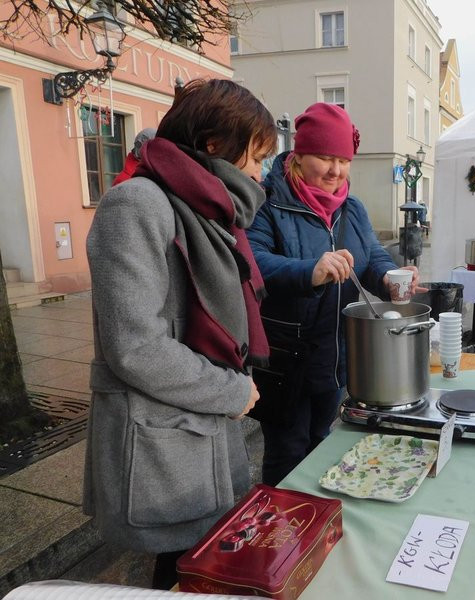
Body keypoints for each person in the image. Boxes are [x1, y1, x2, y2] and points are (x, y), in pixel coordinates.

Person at [83, 79, 276, 590]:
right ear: (214, 144)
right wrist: (231, 389)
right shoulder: (138, 204)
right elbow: (134, 346)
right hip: (161, 445)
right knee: (174, 575)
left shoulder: (207, 209)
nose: (260, 173)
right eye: (256, 156)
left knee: (201, 567)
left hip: (202, 431)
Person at [246, 102, 423, 485]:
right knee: (288, 455)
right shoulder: (268, 202)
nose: (335, 171)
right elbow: (252, 261)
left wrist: (391, 277)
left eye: (343, 160)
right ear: (299, 155)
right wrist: (310, 271)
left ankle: (318, 526)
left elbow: (373, 256)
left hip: (337, 357)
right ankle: (283, 532)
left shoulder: (352, 208)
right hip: (285, 361)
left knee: (326, 445)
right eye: (325, 158)